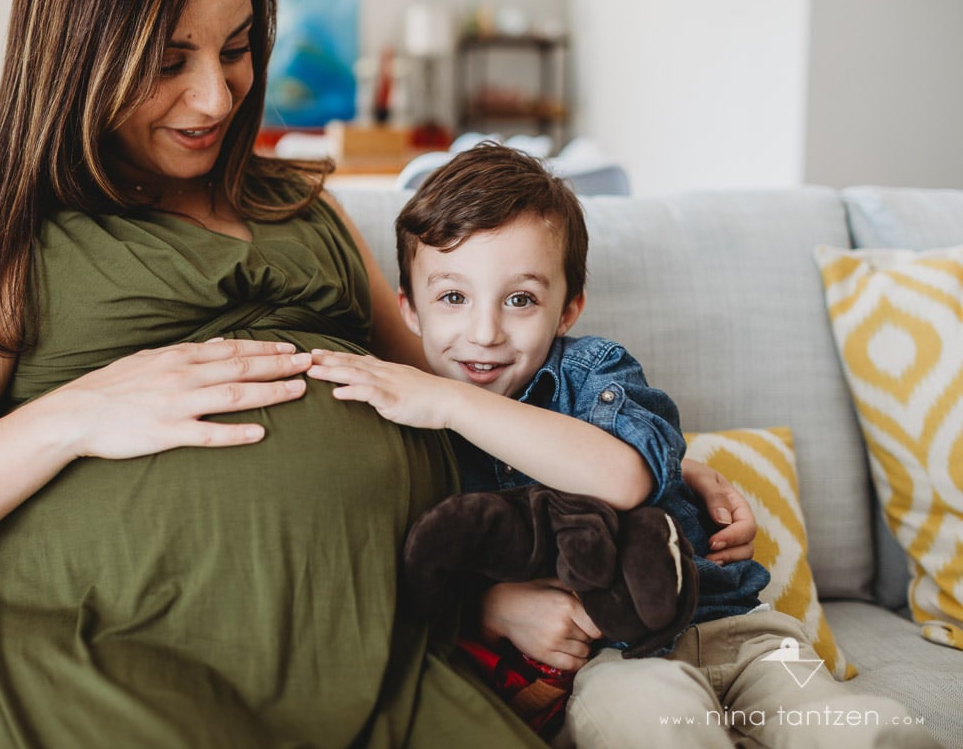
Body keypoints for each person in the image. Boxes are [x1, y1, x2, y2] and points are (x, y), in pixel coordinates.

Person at [0, 0, 751, 745]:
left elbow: (452, 397)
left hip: (388, 672)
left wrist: (634, 459)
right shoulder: (3, 250)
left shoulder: (306, 209)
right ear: (78, 53)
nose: (217, 98)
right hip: (105, 680)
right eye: (167, 62)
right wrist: (77, 412)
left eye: (235, 49)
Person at [307, 142, 942, 749]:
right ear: (409, 309)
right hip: (615, 658)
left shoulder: (593, 373)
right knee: (652, 722)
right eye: (452, 296)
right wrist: (492, 606)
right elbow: (414, 571)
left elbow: (623, 479)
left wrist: (449, 399)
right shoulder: (408, 434)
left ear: (568, 309)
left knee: (848, 725)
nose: (484, 331)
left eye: (520, 299)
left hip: (741, 632)